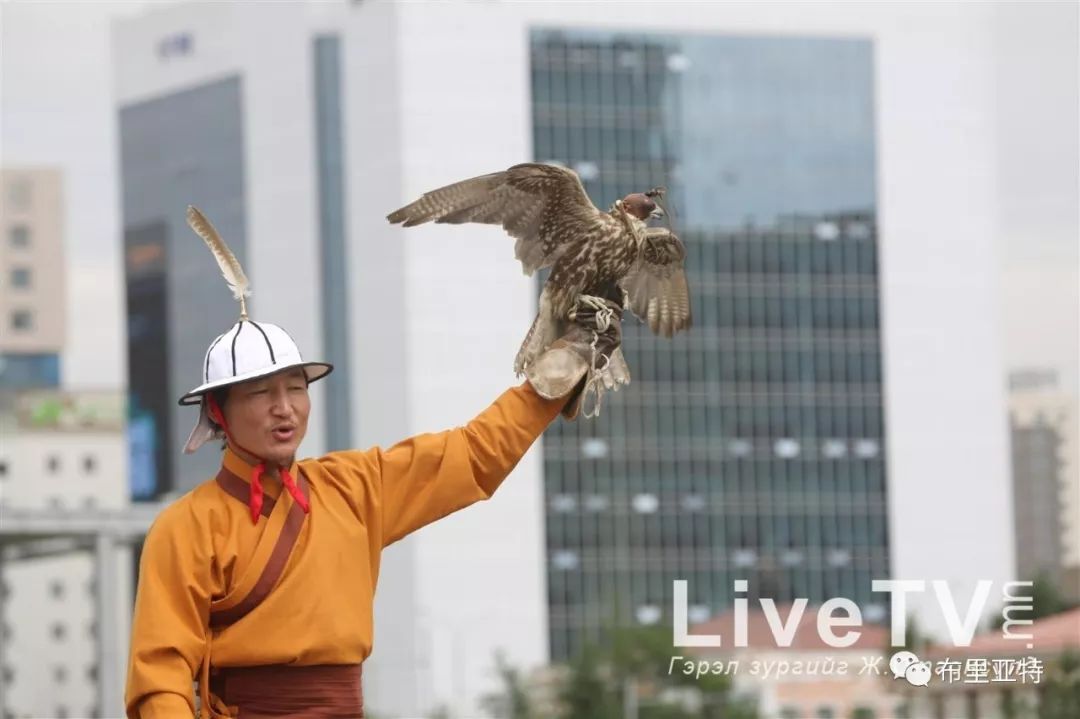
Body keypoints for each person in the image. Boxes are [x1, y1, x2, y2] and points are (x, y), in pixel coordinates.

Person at [123, 279, 623, 717]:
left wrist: (567, 361)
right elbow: (161, 678)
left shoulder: (356, 486)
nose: (284, 408)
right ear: (218, 409)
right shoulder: (184, 527)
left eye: (295, 388)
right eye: (260, 394)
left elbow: (474, 454)